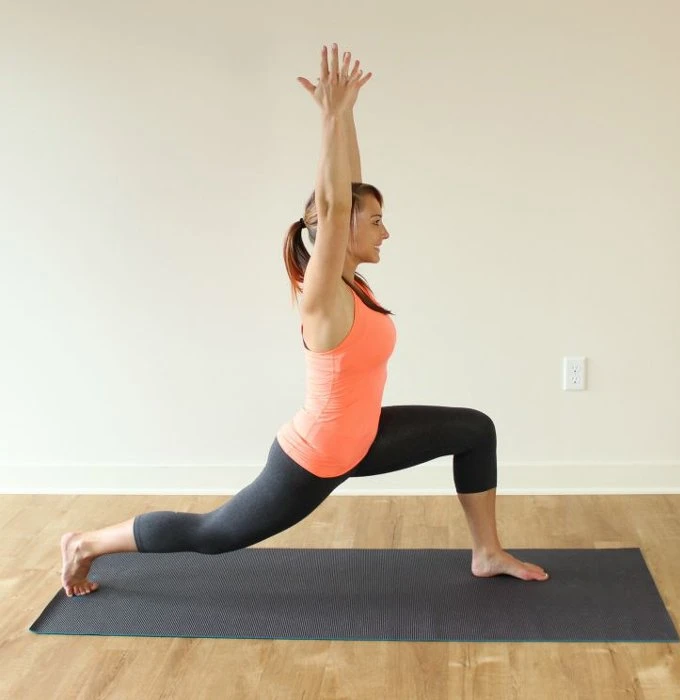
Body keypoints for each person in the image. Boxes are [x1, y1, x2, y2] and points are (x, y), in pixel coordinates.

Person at [60, 43, 548, 597]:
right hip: (317, 455)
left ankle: (487, 553)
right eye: (377, 222)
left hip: (362, 438)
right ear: (341, 230)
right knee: (213, 534)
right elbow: (337, 205)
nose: (385, 232)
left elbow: (346, 195)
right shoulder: (324, 294)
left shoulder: (351, 281)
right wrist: (329, 118)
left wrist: (348, 115)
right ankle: (86, 543)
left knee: (475, 430)